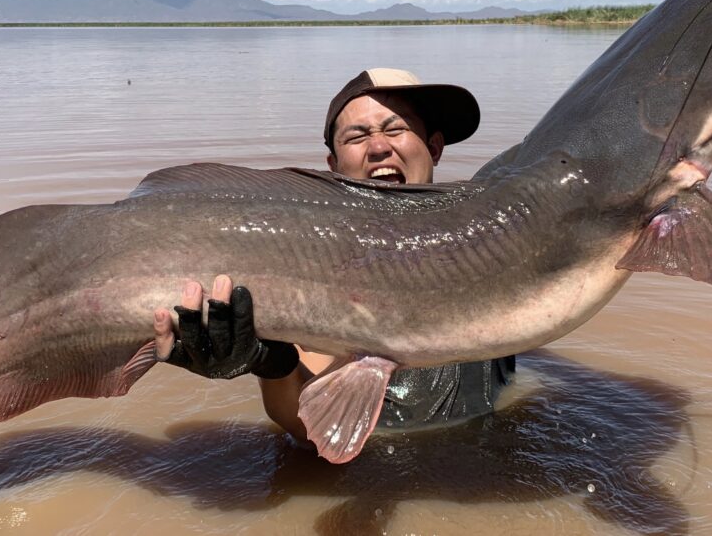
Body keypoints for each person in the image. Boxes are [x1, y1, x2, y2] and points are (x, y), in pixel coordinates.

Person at [152, 68, 515, 444]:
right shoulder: (304, 264)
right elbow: (307, 423)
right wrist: (271, 365)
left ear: (434, 147)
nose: (378, 147)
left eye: (395, 129)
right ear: (333, 167)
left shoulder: (496, 236)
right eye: (357, 136)